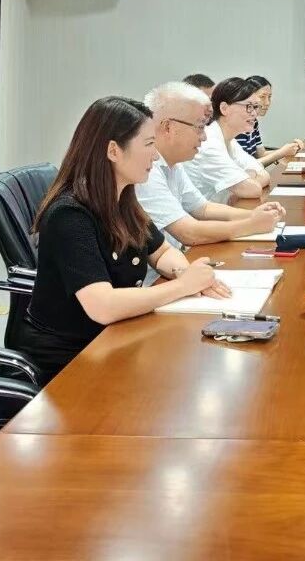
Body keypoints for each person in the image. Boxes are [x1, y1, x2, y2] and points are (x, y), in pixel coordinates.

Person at [18, 96, 234, 384]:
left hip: (112, 340)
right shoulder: (69, 215)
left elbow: (162, 251)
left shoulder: (122, 199)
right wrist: (183, 286)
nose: (155, 156)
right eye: (149, 144)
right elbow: (103, 305)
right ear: (113, 151)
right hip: (66, 366)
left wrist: (184, 272)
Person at [137, 81, 284, 246]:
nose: (204, 136)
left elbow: (202, 208)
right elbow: (188, 233)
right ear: (168, 127)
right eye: (200, 126)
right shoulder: (146, 169)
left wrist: (254, 215)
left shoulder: (174, 163)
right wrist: (251, 224)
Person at [182, 76, 272, 201]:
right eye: (248, 106)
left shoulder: (230, 140)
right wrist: (248, 178)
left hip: (227, 207)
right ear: (224, 108)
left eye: (255, 107)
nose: (254, 113)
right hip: (206, 212)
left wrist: (248, 179)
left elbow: (263, 173)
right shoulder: (208, 143)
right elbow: (252, 189)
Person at [234, 75, 305, 167]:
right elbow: (243, 166)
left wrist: (290, 150)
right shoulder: (237, 124)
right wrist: (281, 153)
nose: (267, 103)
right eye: (262, 97)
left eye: (269, 97)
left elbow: (261, 154)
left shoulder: (254, 122)